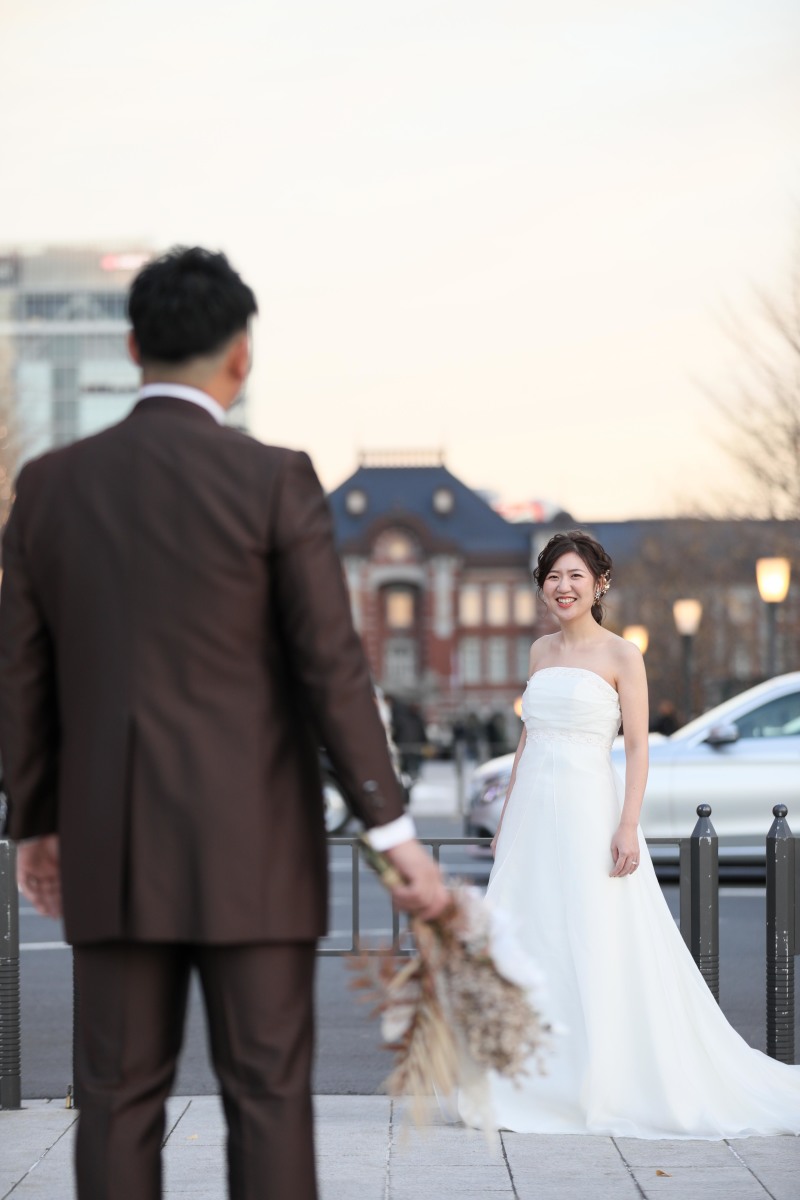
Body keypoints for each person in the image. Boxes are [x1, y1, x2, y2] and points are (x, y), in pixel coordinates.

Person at [0, 246, 449, 1200]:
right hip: (257, 843)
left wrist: (33, 821)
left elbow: (23, 678)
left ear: (130, 347)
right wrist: (393, 828)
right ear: (241, 356)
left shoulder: (48, 486)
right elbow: (332, 666)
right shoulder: (276, 480)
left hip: (113, 842)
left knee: (116, 1098)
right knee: (269, 1095)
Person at [460, 530, 800, 1137]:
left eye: (574, 577)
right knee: (532, 937)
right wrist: (507, 820)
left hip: (592, 808)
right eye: (553, 578)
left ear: (599, 584)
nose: (563, 588)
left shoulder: (622, 656)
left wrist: (627, 824)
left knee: (596, 938)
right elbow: (526, 741)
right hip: (534, 813)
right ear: (543, 588)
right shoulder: (539, 652)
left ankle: (604, 1080)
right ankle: (527, 1081)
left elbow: (639, 749)